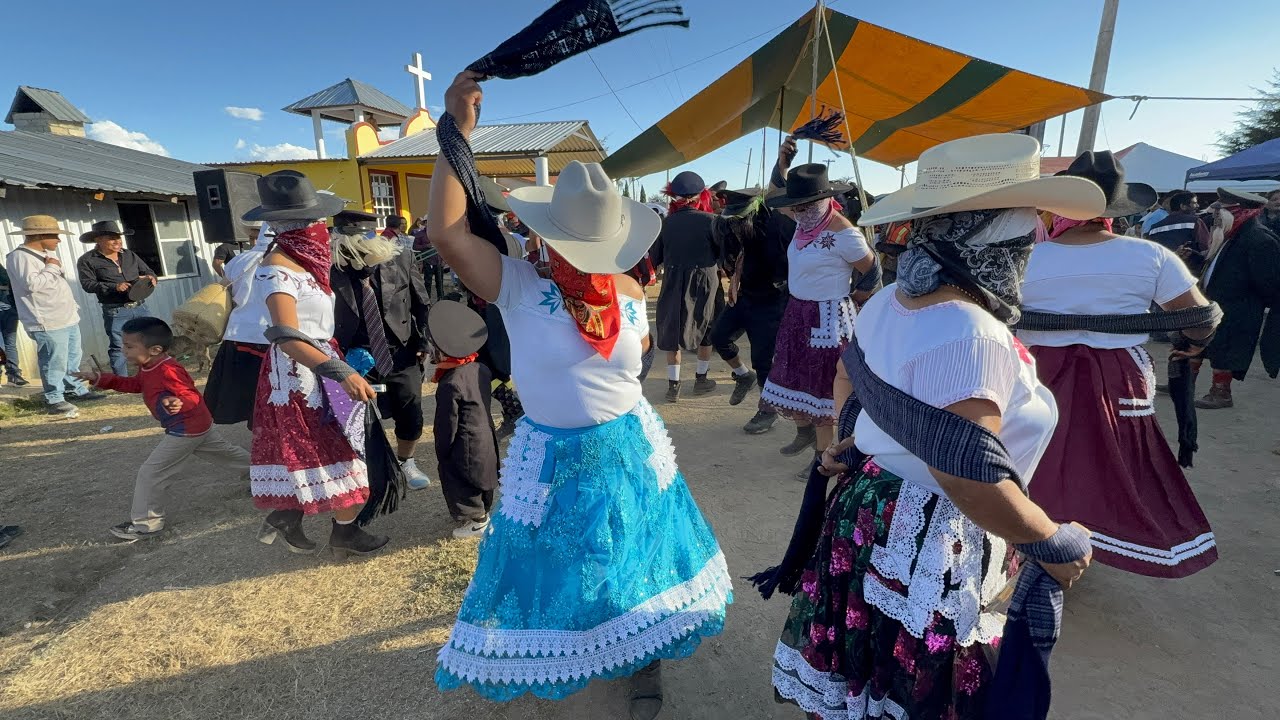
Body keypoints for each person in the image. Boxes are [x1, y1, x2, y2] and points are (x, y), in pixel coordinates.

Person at [429, 72, 731, 718]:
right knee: (556, 574)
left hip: (627, 446)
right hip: (554, 458)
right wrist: (455, 131)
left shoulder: (624, 288)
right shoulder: (515, 279)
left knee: (636, 559)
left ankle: (642, 661)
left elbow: (636, 360)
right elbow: (448, 234)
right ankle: (558, 660)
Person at [769, 133, 1102, 719]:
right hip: (929, 531)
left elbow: (850, 374)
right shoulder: (971, 332)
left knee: (869, 666)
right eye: (1028, 231)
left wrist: (853, 435)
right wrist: (1047, 539)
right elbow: (967, 474)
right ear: (1001, 243)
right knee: (926, 683)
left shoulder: (890, 299)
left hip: (871, 508)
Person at [1020, 151, 1219, 577]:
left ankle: (1027, 538)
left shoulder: (1027, 259)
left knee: (1034, 453)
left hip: (1037, 369)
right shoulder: (1151, 256)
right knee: (1108, 460)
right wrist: (1193, 344)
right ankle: (1084, 545)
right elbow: (1199, 321)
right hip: (1119, 375)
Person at [243, 171, 387, 557]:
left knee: (333, 446)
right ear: (291, 226)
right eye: (313, 221)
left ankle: (306, 520)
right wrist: (340, 372)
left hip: (322, 359)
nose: (321, 228)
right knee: (323, 446)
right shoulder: (276, 268)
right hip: (299, 374)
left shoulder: (306, 261)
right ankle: (328, 525)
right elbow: (285, 334)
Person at [73, 317, 250, 542]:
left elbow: (190, 395)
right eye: (123, 345)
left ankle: (147, 525)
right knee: (225, 453)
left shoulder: (169, 370)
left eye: (129, 346)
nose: (123, 351)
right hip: (196, 425)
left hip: (186, 428)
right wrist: (100, 379)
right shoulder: (149, 366)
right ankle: (265, 476)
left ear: (155, 349)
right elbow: (136, 385)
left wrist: (179, 402)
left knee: (152, 472)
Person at [759, 163, 874, 470]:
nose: (796, 211)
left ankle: (823, 455)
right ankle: (808, 437)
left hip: (828, 318)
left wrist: (857, 298)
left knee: (823, 388)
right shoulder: (804, 222)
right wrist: (780, 164)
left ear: (822, 200)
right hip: (798, 312)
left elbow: (872, 270)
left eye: (802, 205)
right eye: (794, 206)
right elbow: (774, 196)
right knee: (798, 381)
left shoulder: (844, 232)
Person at [329, 210, 433, 489]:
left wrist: (424, 340)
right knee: (353, 417)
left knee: (410, 411)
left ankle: (406, 462)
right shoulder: (332, 267)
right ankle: (366, 469)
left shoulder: (401, 258)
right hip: (353, 355)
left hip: (400, 350)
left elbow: (422, 302)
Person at [710, 147, 796, 434]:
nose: (733, 225)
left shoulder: (778, 224)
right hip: (743, 297)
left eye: (738, 220)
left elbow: (779, 190)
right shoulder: (732, 231)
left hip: (771, 303)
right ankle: (741, 375)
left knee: (763, 359)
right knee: (718, 337)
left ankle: (767, 410)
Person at [5, 215, 106, 418]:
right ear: (41, 235)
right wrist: (51, 266)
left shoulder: (46, 254)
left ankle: (74, 389)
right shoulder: (19, 257)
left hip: (66, 316)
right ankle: (54, 398)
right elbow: (31, 285)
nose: (59, 240)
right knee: (53, 360)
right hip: (46, 319)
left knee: (71, 358)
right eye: (55, 236)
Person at [1194, 188, 1280, 409]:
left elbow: (1268, 281)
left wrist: (1251, 302)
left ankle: (1221, 393)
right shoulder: (1230, 233)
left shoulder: (1258, 239)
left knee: (1228, 349)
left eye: (1219, 211)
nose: (1213, 216)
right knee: (1200, 342)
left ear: (1235, 211)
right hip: (1217, 303)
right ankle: (1186, 383)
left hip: (1240, 307)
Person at [427, 300, 499, 538]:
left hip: (464, 441)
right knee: (482, 475)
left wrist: (442, 448)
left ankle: (478, 521)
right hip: (485, 435)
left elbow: (447, 422)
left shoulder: (450, 383)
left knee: (463, 479)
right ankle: (484, 512)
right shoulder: (480, 369)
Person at [652, 170, 724, 402]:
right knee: (705, 328)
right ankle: (701, 380)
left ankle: (674, 386)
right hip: (706, 280)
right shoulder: (712, 221)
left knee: (673, 329)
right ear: (701, 195)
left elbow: (655, 258)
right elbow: (724, 256)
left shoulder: (666, 223)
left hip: (673, 280)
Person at [204, 223, 273, 427]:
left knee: (248, 394)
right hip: (271, 337)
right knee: (269, 395)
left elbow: (225, 289)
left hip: (240, 335)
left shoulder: (240, 260)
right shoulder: (288, 261)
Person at [75, 220, 158, 376]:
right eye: (111, 238)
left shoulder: (129, 255)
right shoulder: (87, 260)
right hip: (116, 310)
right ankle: (122, 381)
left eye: (118, 238)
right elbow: (87, 284)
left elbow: (148, 271)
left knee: (147, 341)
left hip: (140, 306)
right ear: (98, 240)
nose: (117, 241)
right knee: (119, 346)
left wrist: (151, 278)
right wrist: (114, 286)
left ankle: (151, 374)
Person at [1147, 190, 1211, 275]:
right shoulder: (1195, 222)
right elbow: (1205, 248)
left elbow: (1151, 254)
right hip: (1188, 272)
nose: (1197, 206)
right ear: (1183, 206)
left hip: (1162, 273)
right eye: (1194, 203)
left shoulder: (1154, 228)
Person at [0, 264, 29, 386]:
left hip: (8, 306)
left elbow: (9, 281)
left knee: (10, 343)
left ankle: (14, 375)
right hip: (7, 304)